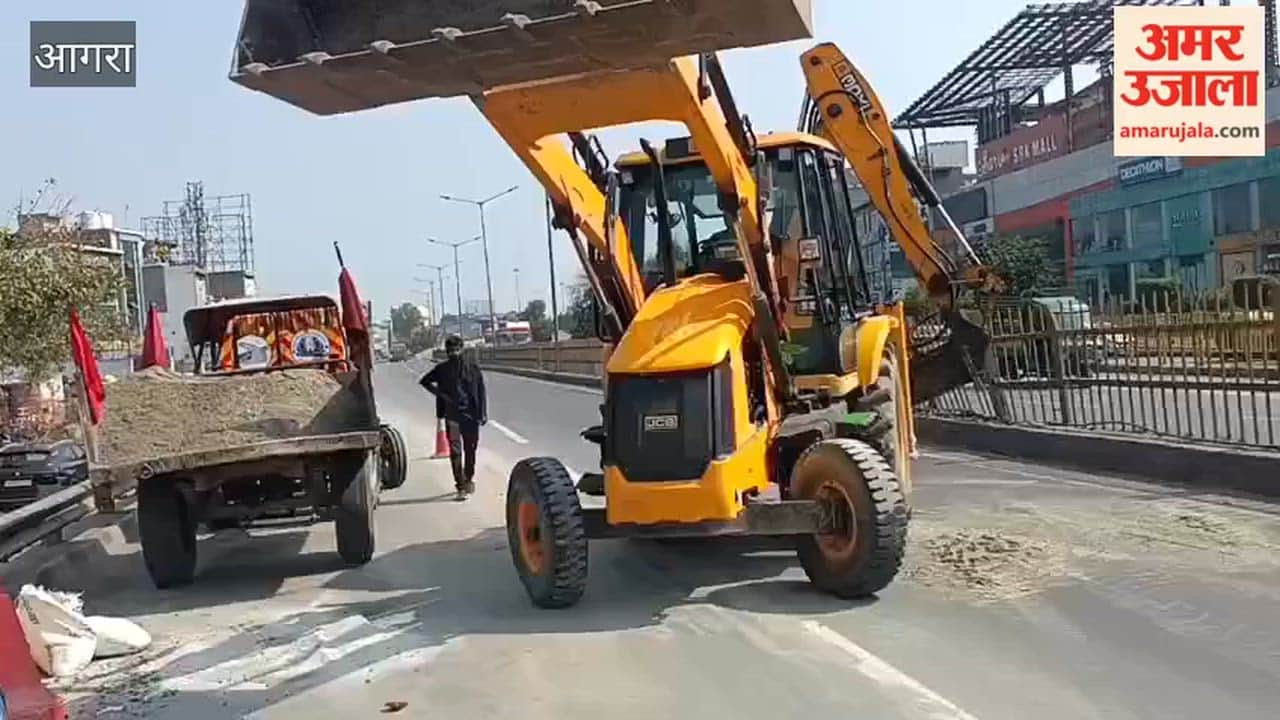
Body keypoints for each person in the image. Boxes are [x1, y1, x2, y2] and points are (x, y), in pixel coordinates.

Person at [419, 335, 487, 500]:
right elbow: (424, 381)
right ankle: (461, 486)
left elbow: (481, 391)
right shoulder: (442, 369)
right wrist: (441, 395)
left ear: (462, 349)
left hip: (471, 415)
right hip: (452, 416)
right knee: (455, 451)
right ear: (447, 352)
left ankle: (468, 477)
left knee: (470, 449)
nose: (454, 353)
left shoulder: (472, 368)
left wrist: (483, 413)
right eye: (450, 351)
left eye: (456, 350)